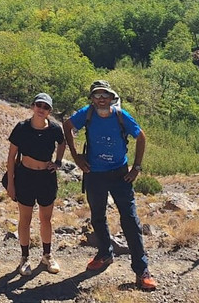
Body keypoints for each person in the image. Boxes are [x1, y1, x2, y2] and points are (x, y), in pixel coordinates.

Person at [63, 79, 157, 291]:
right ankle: (105, 253)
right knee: (97, 215)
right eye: (97, 95)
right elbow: (67, 126)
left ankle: (142, 270)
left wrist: (136, 168)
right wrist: (76, 156)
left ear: (112, 97)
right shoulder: (86, 113)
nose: (101, 98)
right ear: (92, 99)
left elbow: (141, 137)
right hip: (94, 173)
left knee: (130, 220)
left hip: (120, 175)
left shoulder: (120, 115)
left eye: (105, 95)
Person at [6, 92, 66, 276]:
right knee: (25, 219)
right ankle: (24, 258)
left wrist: (58, 162)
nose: (41, 110)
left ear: (50, 111)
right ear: (33, 106)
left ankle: (47, 255)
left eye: (46, 107)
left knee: (46, 219)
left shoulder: (55, 129)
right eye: (39, 105)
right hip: (25, 176)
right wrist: (10, 183)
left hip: (46, 177)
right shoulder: (22, 128)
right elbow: (11, 157)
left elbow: (63, 143)